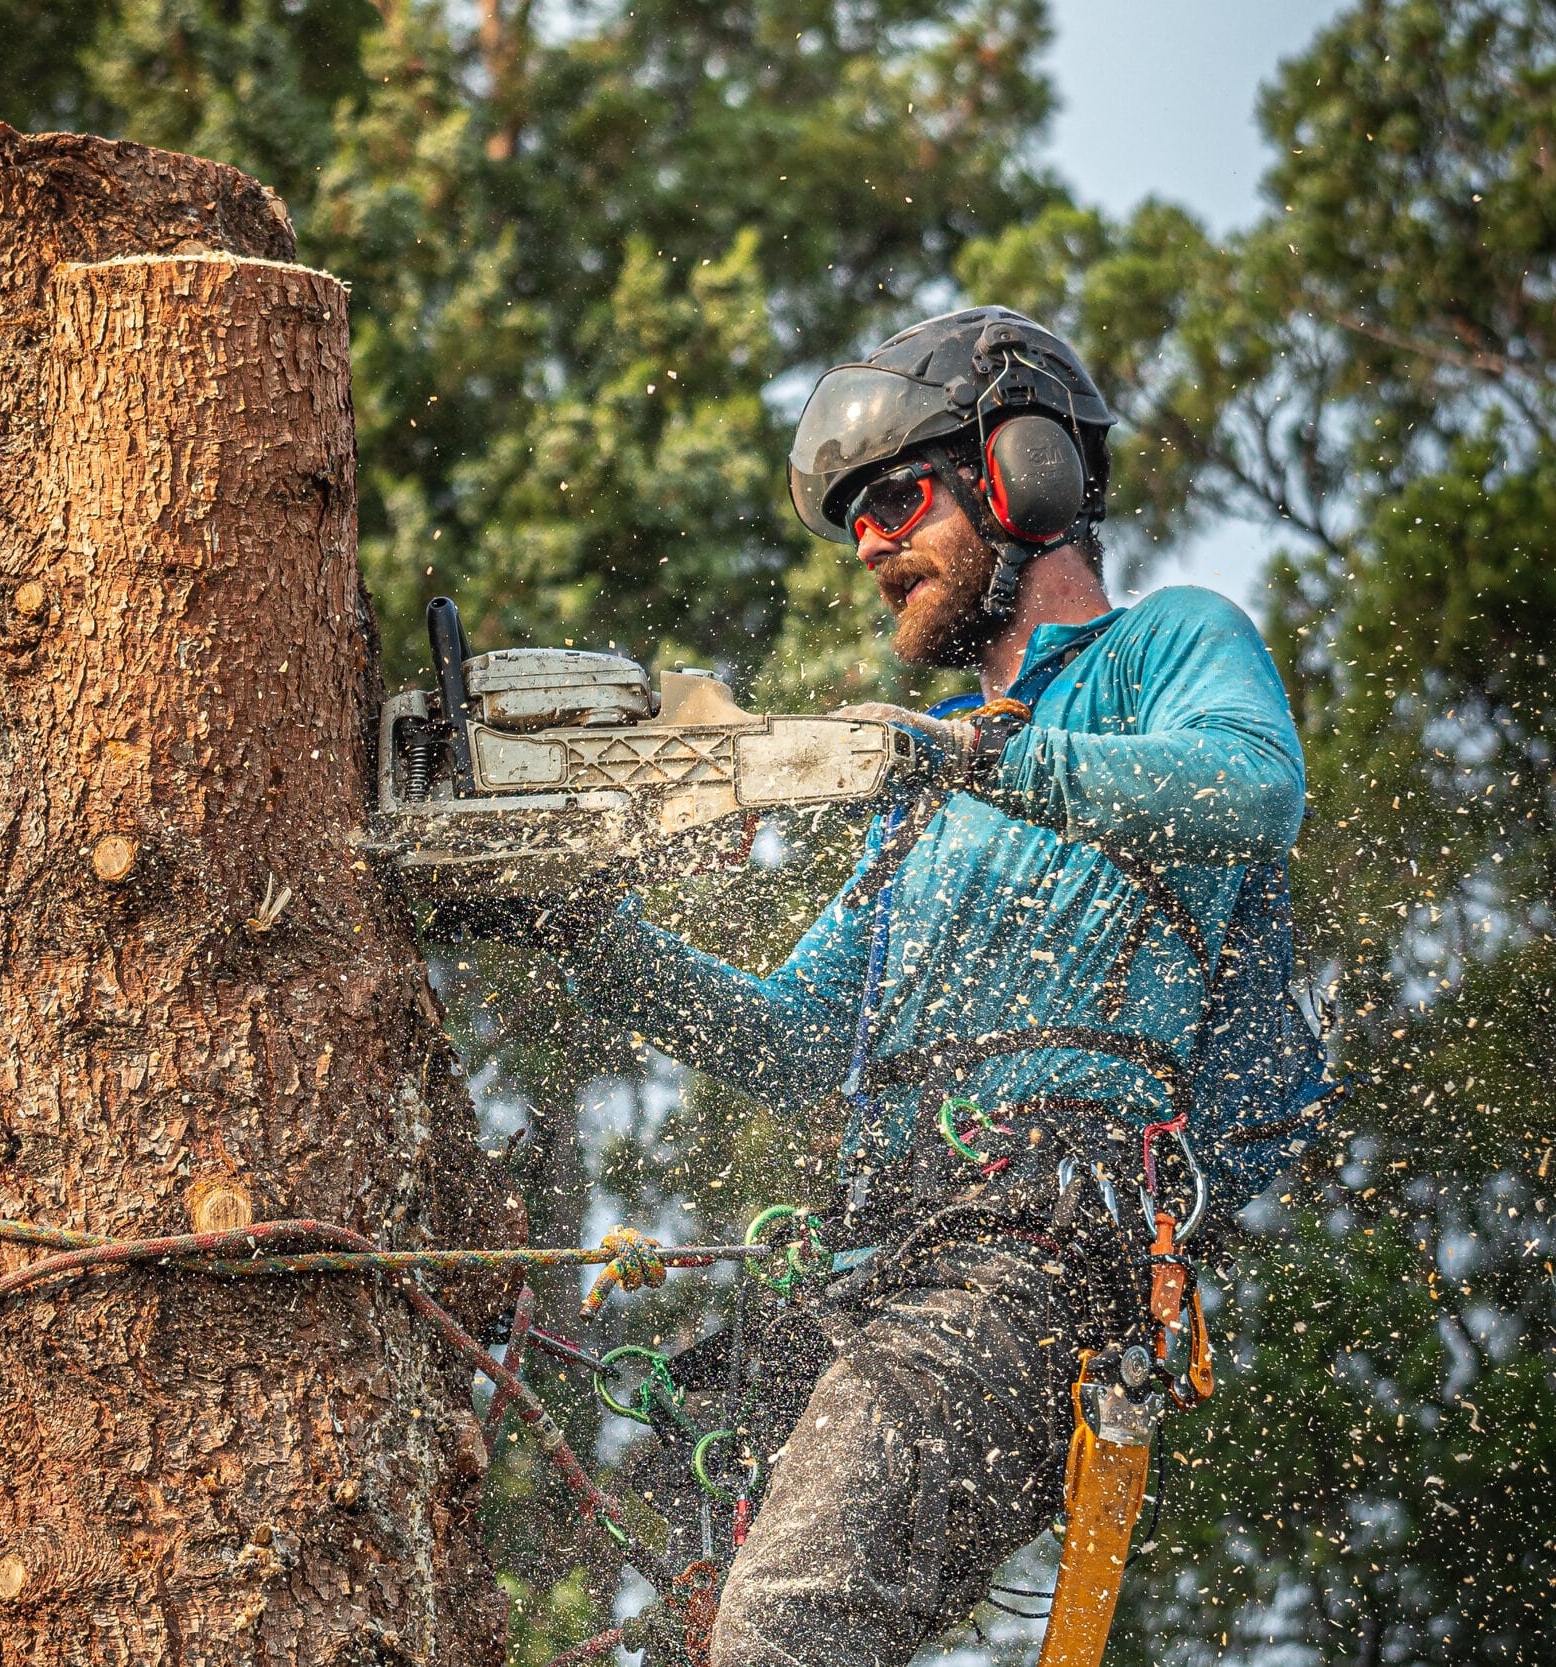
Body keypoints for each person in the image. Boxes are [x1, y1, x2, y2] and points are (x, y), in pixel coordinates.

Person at [497, 307, 1307, 1667]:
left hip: (1035, 1255)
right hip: (877, 1262)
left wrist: (983, 759)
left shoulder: (1164, 650)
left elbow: (1253, 788)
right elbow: (798, 1038)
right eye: (856, 517)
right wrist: (581, 928)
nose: (869, 543)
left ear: (1026, 474)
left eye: (896, 497)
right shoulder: (915, 802)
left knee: (786, 1629)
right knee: (652, 1615)